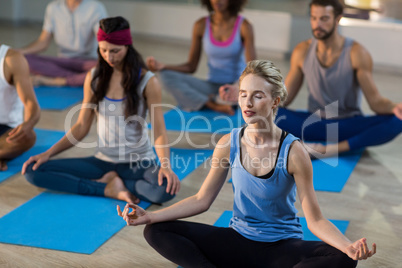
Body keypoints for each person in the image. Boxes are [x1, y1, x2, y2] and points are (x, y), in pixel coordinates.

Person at [117, 60, 376, 268]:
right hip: (236, 242)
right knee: (156, 231)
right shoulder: (228, 143)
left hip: (282, 249)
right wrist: (149, 215)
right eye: (243, 95)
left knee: (343, 259)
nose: (247, 103)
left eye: (257, 96)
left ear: (275, 101)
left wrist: (347, 246)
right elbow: (201, 199)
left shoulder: (294, 152)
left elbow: (315, 220)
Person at [22, 16, 180, 205]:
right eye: (103, 50)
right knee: (33, 171)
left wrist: (165, 166)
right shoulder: (94, 78)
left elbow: (159, 131)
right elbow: (81, 126)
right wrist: (48, 153)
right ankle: (108, 189)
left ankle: (117, 183)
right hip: (102, 162)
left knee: (165, 190)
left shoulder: (147, 81)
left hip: (138, 163)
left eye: (115, 51)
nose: (109, 57)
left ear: (127, 46)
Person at [221, 0, 402, 158]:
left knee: (397, 121)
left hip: (345, 125)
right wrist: (250, 95)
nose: (317, 24)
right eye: (314, 18)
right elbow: (285, 96)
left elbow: (375, 102)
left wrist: (395, 107)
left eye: (324, 19)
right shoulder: (302, 51)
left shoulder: (357, 53)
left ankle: (332, 149)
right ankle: (335, 145)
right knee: (270, 113)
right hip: (313, 123)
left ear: (337, 19)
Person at [146, 0, 256, 115]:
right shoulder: (201, 25)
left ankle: (212, 100)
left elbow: (253, 69)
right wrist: (163, 66)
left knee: (249, 90)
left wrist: (238, 87)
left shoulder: (244, 26)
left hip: (235, 85)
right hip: (211, 86)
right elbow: (191, 66)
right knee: (165, 75)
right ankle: (213, 104)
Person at [19, 0, 108, 87]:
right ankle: (81, 78)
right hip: (63, 61)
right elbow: (43, 42)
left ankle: (55, 80)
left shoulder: (96, 7)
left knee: (105, 69)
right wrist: (19, 52)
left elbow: (103, 41)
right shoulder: (53, 8)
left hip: (88, 61)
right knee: (24, 59)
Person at [0, 44, 40, 171]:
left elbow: (30, 103)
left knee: (28, 137)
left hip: (6, 129)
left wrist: (28, 124)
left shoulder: (12, 59)